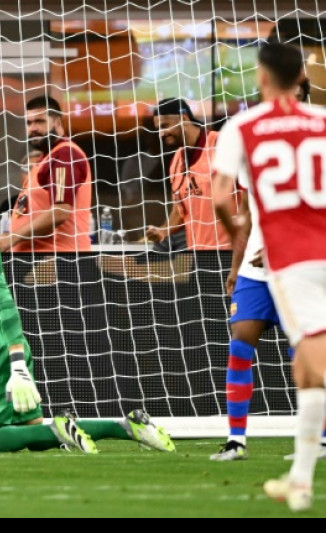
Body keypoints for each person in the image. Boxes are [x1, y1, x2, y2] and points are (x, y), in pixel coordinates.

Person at [0, 171, 176, 455]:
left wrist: (16, 363)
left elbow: (5, 305)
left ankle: (64, 428)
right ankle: (127, 427)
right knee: (34, 436)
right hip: (2, 351)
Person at [213, 41, 326, 512]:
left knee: (315, 359)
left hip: (289, 258)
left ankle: (300, 471)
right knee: (304, 359)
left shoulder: (243, 126)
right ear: (301, 77)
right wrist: (241, 259)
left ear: (261, 77)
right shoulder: (321, 124)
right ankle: (297, 476)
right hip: (302, 257)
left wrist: (235, 229)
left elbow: (222, 198)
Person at [0, 96, 92, 253]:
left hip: (60, 263)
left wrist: (12, 238)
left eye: (40, 121)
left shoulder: (65, 154)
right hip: (39, 263)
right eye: (29, 123)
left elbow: (60, 211)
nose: (33, 128)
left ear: (58, 123)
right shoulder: (45, 158)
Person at [145, 97, 238, 251]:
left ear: (184, 118)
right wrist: (163, 231)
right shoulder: (176, 161)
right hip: (198, 253)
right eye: (158, 129)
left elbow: (249, 198)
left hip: (230, 251)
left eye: (164, 126)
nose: (161, 134)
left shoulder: (221, 145)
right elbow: (179, 211)